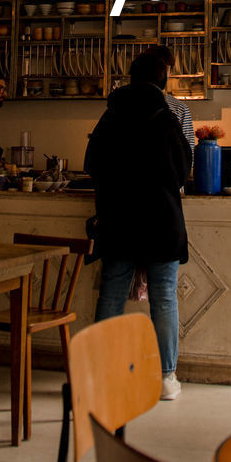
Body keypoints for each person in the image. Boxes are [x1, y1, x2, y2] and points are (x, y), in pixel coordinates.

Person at [84, 51, 193, 401]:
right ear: (163, 82)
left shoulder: (110, 115)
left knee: (113, 293)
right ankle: (165, 378)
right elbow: (182, 171)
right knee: (164, 297)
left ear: (129, 79)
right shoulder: (167, 116)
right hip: (161, 220)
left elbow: (92, 164)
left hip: (118, 220)